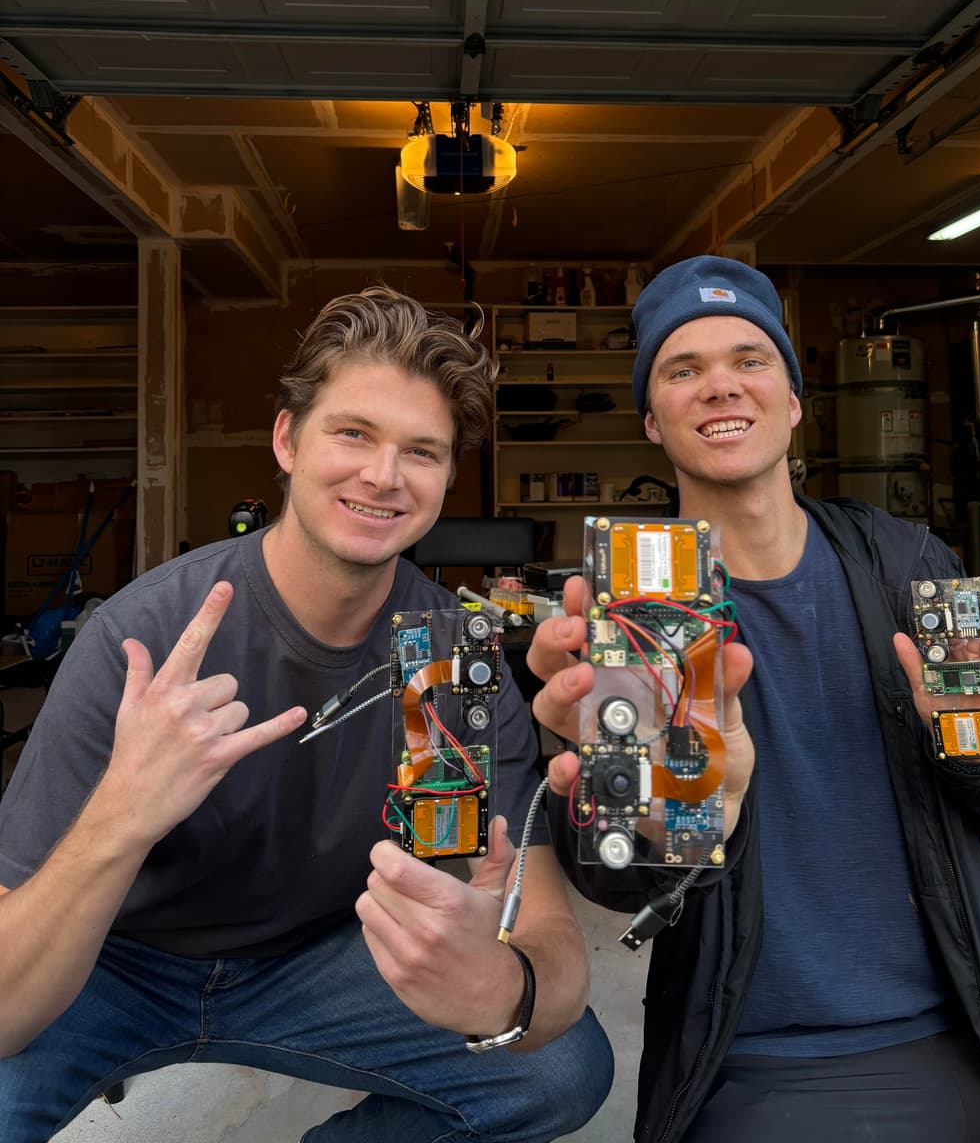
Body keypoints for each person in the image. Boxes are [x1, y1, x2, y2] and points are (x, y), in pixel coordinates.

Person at [0, 287, 612, 1142]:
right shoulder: (143, 634)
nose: (383, 475)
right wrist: (120, 817)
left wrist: (504, 983)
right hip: (118, 962)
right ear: (288, 440)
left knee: (560, 1070)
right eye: (353, 432)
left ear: (444, 479)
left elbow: (548, 933)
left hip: (318, 963)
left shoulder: (453, 659)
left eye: (422, 451)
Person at [527, 255, 980, 1143]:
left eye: (750, 360)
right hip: (777, 1062)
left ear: (791, 403)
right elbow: (619, 879)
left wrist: (976, 746)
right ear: (653, 423)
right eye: (682, 370)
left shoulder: (908, 566)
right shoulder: (638, 613)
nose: (718, 386)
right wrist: (691, 801)